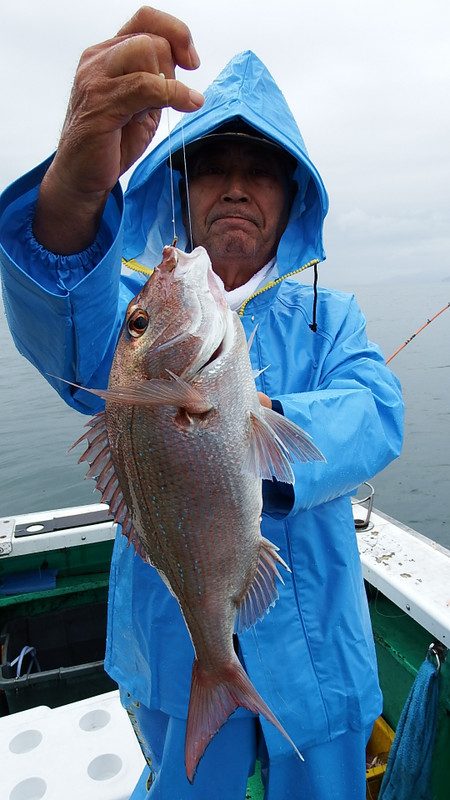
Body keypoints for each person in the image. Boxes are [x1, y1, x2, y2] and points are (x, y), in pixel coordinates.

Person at [0, 8, 404, 800]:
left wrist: (246, 428)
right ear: (178, 187)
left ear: (293, 198)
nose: (237, 186)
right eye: (213, 162)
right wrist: (71, 200)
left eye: (263, 168)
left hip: (320, 660)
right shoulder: (132, 316)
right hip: (174, 650)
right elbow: (63, 338)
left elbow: (377, 411)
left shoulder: (333, 317)